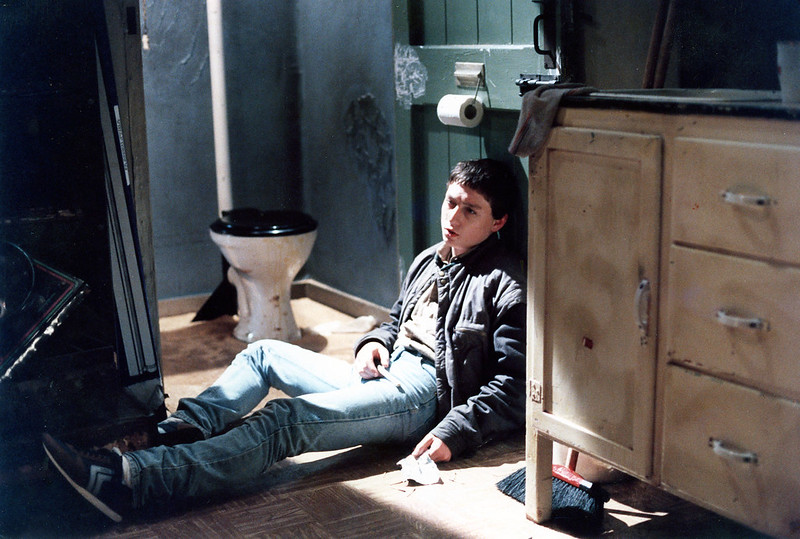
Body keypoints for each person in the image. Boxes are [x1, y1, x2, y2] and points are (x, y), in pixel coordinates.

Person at [42, 158, 527, 523]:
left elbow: (511, 385)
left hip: (419, 394)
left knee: (284, 420)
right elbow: (396, 320)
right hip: (386, 369)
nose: (453, 217)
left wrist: (455, 432)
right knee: (262, 352)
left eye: (471, 210)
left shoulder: (505, 282)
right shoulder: (430, 257)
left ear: (498, 221)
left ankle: (133, 481)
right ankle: (175, 432)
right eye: (451, 202)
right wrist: (372, 343)